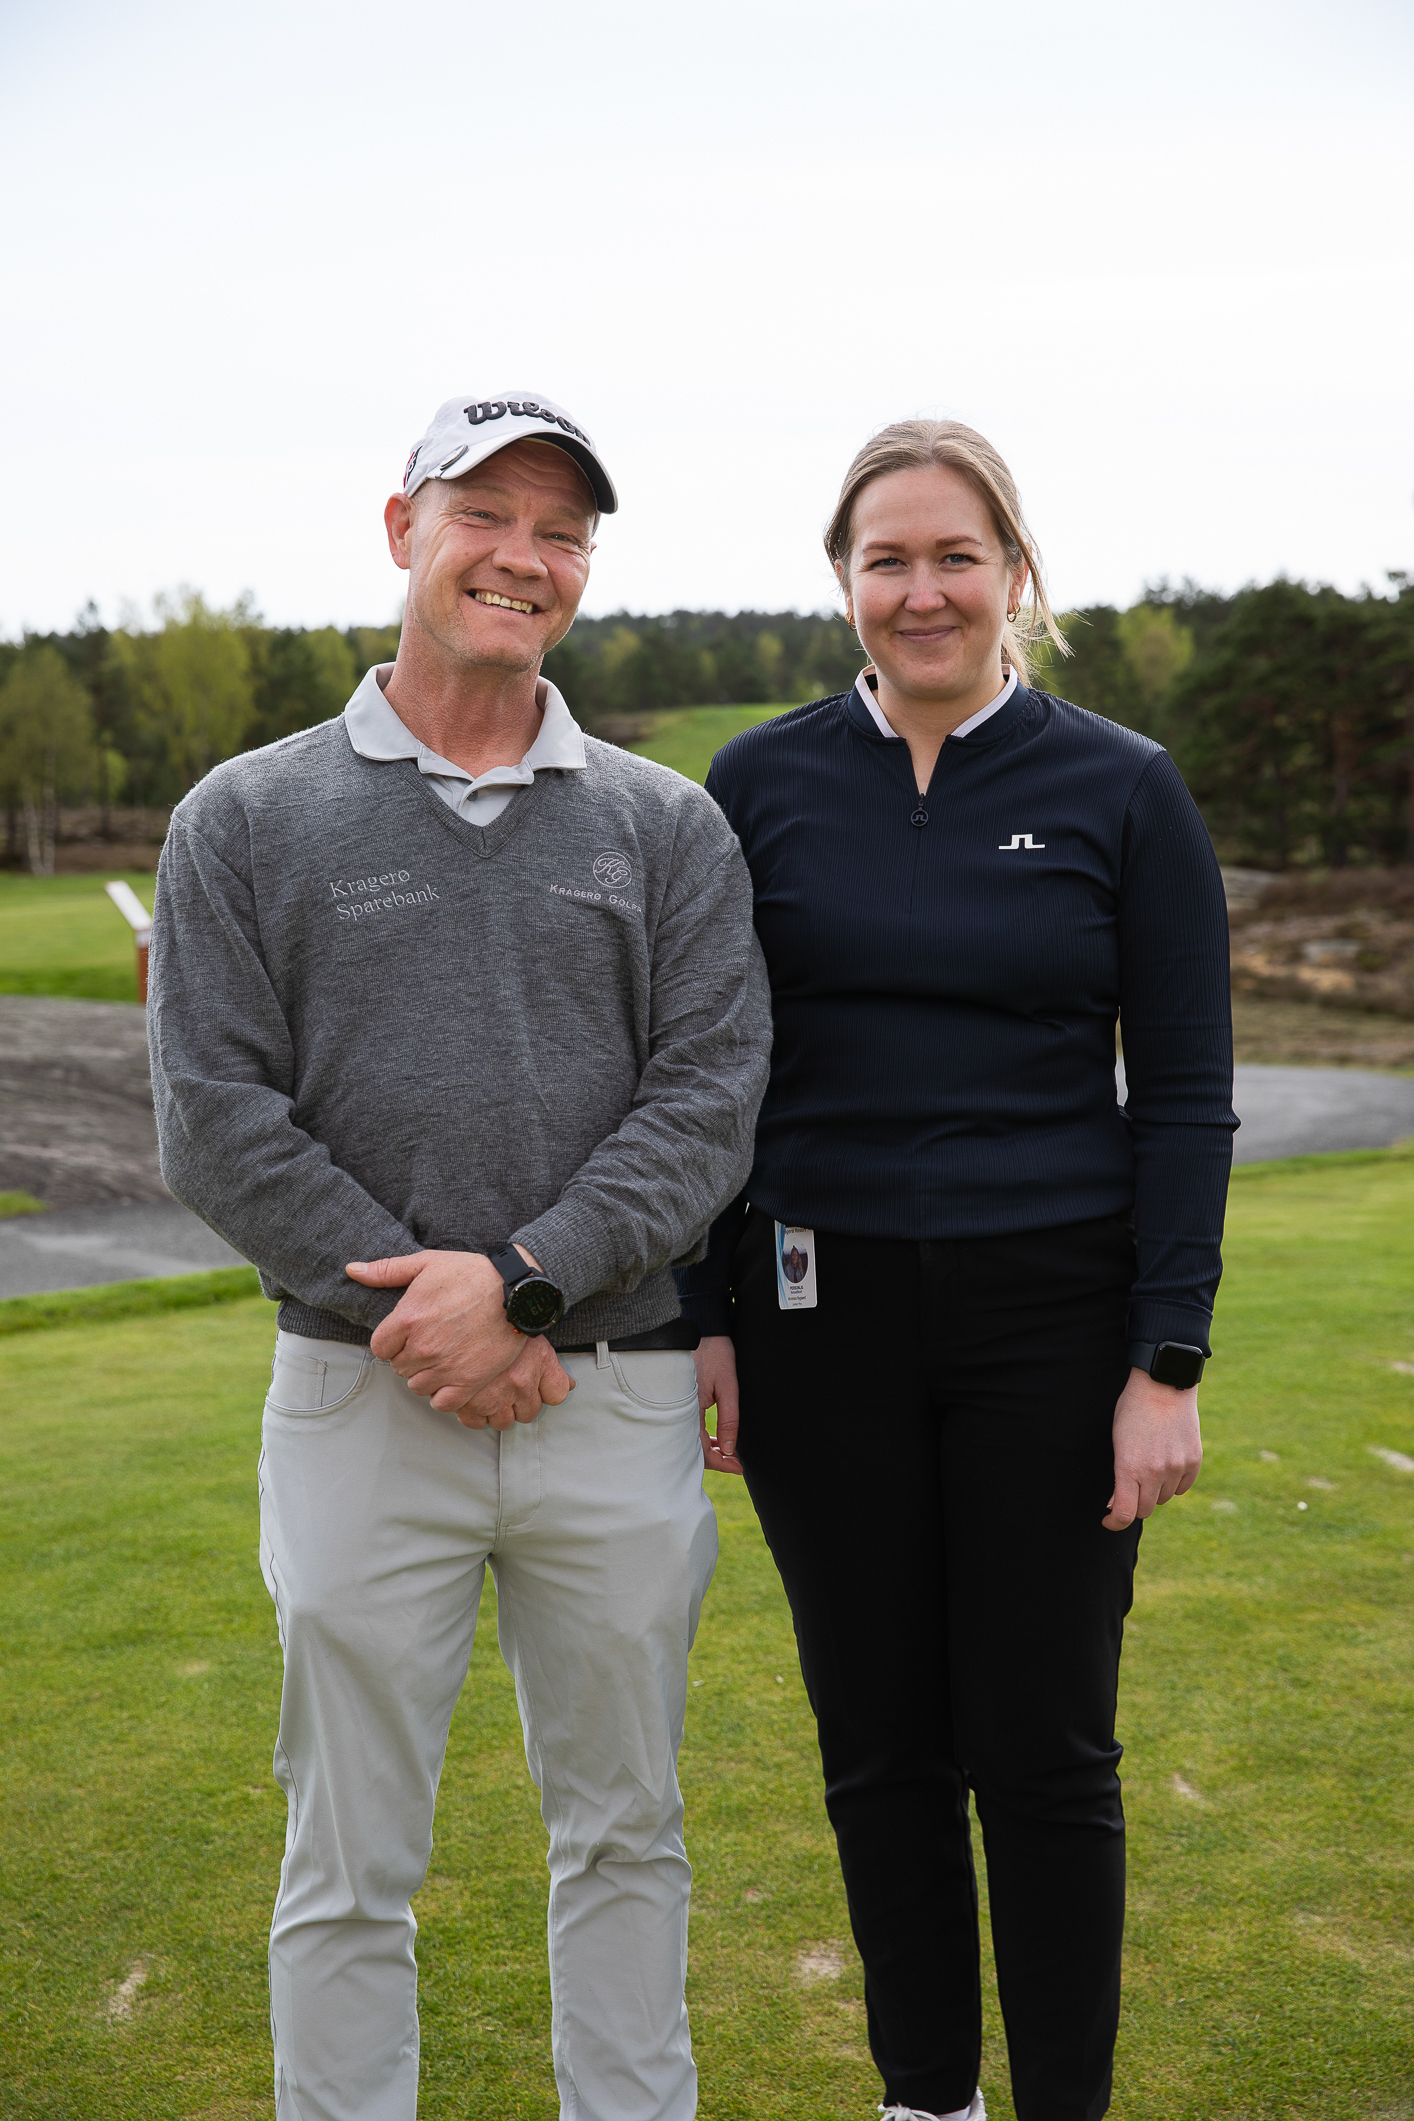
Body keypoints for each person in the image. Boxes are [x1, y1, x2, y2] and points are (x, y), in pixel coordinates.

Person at [148, 389, 771, 2121]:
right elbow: (213, 1115)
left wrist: (521, 1281)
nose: (523, 555)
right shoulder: (244, 818)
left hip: (611, 1388)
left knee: (626, 1835)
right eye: (484, 511)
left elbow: (709, 1102)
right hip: (360, 1397)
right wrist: (438, 1309)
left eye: (561, 530)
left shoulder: (664, 824)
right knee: (345, 1856)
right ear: (400, 526)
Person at [678, 419, 1236, 2121]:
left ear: (1011, 572)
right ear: (841, 582)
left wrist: (1165, 1357)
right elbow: (712, 1064)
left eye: (952, 555)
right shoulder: (757, 785)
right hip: (812, 1321)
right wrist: (705, 1315)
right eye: (883, 560)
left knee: (1045, 1751)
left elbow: (1189, 1091)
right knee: (880, 1751)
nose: (919, 592)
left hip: (1052, 1327)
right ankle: (924, 2096)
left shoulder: (1118, 785)